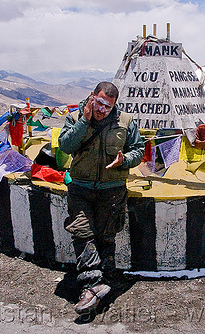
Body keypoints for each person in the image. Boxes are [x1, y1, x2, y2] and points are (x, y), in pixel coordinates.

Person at [58, 82, 144, 314]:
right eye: (100, 103)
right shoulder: (75, 117)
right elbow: (65, 146)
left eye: (108, 106)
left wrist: (124, 160)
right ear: (92, 97)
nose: (103, 110)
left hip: (112, 188)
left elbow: (139, 149)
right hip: (81, 187)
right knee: (82, 232)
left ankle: (101, 283)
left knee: (106, 235)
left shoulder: (125, 121)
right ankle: (92, 286)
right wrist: (85, 122)